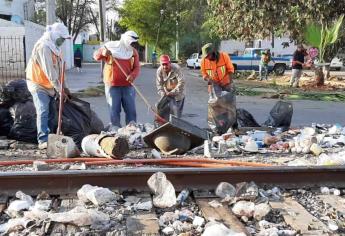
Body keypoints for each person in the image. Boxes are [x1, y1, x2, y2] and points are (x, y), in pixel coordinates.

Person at [26, 22, 71, 149]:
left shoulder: (56, 49)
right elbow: (50, 72)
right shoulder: (43, 47)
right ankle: (43, 140)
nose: (62, 41)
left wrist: (65, 87)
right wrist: (60, 90)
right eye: (61, 38)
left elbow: (61, 70)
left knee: (52, 112)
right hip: (38, 83)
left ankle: (51, 137)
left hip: (50, 85)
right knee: (43, 111)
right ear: (55, 35)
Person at [93, 31, 140, 128]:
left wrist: (132, 75)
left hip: (128, 86)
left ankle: (132, 131)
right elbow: (96, 56)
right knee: (114, 111)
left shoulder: (133, 52)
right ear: (127, 40)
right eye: (132, 43)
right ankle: (116, 132)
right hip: (112, 86)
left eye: (135, 43)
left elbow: (137, 67)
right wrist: (103, 52)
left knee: (131, 110)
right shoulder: (110, 47)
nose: (133, 46)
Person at [200, 43, 238, 133]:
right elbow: (204, 73)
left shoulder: (224, 56)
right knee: (216, 106)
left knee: (230, 106)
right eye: (205, 56)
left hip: (226, 84)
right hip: (214, 86)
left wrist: (229, 82)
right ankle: (218, 127)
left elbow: (230, 70)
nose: (206, 57)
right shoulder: (204, 61)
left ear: (213, 52)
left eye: (208, 55)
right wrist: (207, 78)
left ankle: (234, 127)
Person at [156, 54, 185, 123]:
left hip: (177, 94)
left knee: (176, 116)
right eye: (163, 64)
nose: (165, 66)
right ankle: (165, 127)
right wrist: (163, 94)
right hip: (166, 94)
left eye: (166, 64)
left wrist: (173, 92)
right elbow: (159, 85)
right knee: (161, 109)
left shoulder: (176, 68)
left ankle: (176, 129)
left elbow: (182, 82)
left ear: (170, 63)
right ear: (160, 64)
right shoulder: (159, 71)